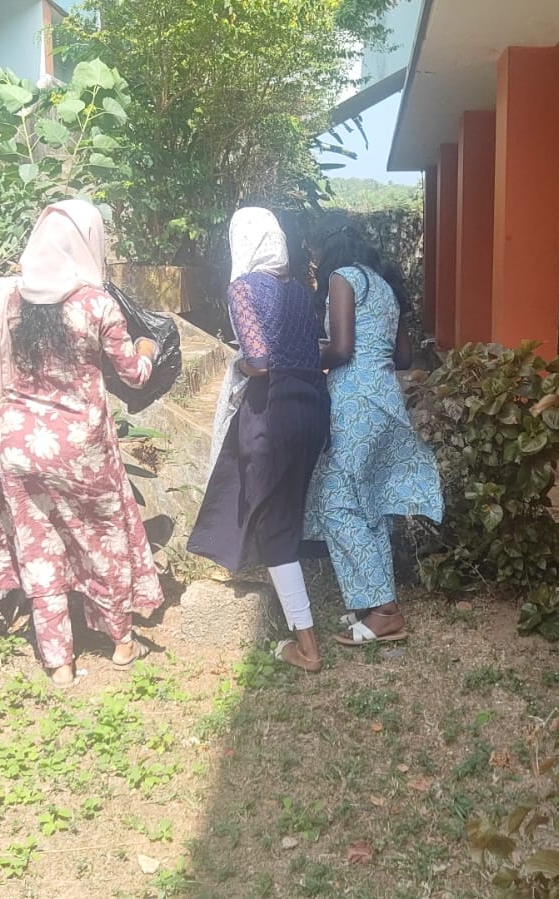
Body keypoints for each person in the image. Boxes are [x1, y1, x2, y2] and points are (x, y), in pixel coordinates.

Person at [0, 199, 163, 687]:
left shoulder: (10, 296)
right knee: (102, 540)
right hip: (80, 450)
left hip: (17, 445)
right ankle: (121, 643)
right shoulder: (97, 305)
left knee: (38, 545)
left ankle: (60, 662)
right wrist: (148, 348)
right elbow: (134, 375)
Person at [190, 208, 332, 672]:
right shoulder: (300, 292)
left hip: (272, 411)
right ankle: (289, 602)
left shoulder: (243, 288)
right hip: (312, 408)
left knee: (273, 527)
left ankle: (306, 646)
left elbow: (259, 359)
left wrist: (238, 365)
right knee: (284, 512)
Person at [303, 228, 442, 646]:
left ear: (329, 249)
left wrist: (304, 356)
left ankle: (384, 609)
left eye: (314, 254)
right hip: (385, 398)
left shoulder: (342, 277)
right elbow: (402, 357)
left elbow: (342, 350)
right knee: (370, 504)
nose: (314, 264)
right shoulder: (383, 285)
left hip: (355, 401)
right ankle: (371, 603)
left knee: (334, 501)